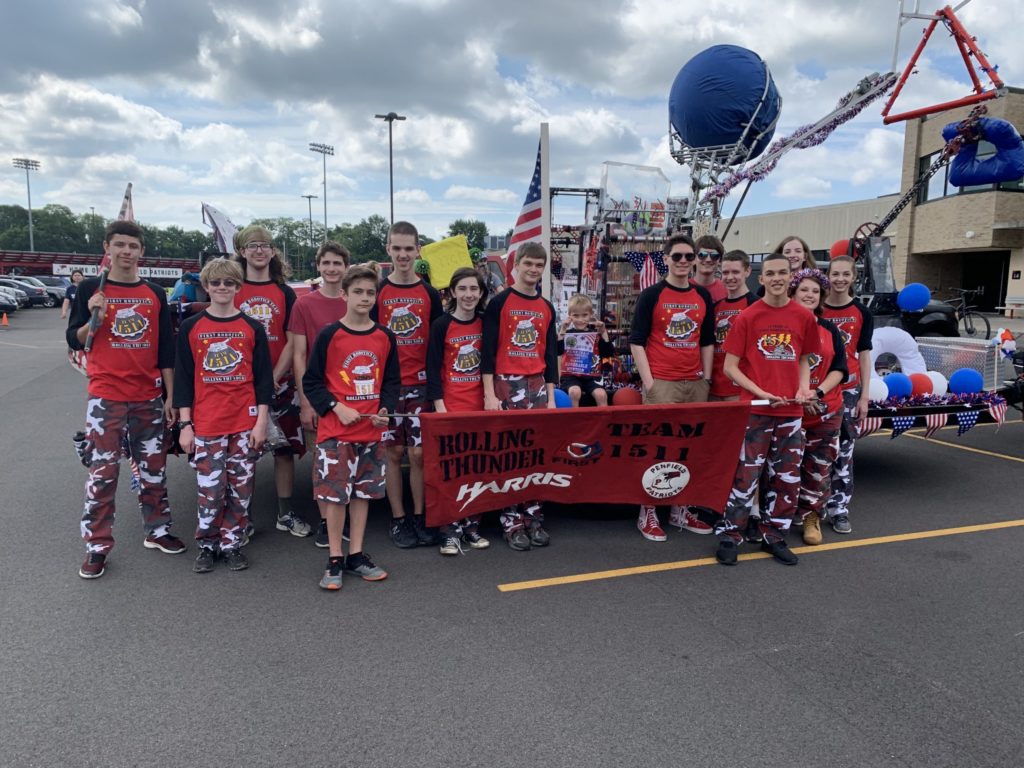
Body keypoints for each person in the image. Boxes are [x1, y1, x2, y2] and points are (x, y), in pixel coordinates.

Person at [66, 221, 185, 579]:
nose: (126, 251)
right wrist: (95, 319)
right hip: (106, 398)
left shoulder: (153, 293)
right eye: (119, 244)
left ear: (141, 252)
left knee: (154, 470)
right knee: (103, 474)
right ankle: (97, 545)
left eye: (133, 246)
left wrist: (170, 396)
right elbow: (75, 339)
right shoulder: (91, 288)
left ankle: (158, 530)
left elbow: (166, 347)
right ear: (108, 248)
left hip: (148, 396)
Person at [713, 252, 820, 566]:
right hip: (756, 410)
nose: (776, 278)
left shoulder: (803, 316)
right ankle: (731, 534)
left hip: (790, 414)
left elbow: (804, 358)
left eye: (782, 273)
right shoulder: (748, 317)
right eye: (770, 273)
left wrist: (803, 387)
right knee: (745, 477)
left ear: (791, 276)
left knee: (785, 478)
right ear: (760, 279)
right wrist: (759, 392)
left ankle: (774, 536)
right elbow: (731, 367)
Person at [173, 259, 273, 573]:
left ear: (237, 287)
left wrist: (261, 423)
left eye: (228, 283)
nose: (221, 288)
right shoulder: (192, 326)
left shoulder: (252, 327)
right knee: (210, 489)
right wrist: (185, 424)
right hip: (206, 423)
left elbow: (263, 380)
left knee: (241, 487)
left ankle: (232, 542)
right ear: (206, 285)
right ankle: (208, 543)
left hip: (244, 422)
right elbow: (184, 378)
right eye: (215, 282)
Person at [303, 265, 399, 590]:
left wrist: (386, 407)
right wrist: (335, 407)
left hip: (371, 434)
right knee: (335, 497)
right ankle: (334, 557)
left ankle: (356, 554)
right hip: (337, 434)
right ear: (344, 294)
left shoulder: (385, 336)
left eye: (370, 293)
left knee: (363, 495)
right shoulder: (331, 335)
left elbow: (391, 381)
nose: (365, 298)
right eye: (358, 291)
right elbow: (312, 382)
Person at [628, 233, 715, 541]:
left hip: (694, 383)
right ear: (665, 258)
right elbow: (636, 341)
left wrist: (704, 377)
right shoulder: (652, 295)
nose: (683, 262)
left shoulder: (702, 296)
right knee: (657, 449)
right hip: (662, 382)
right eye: (676, 256)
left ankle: (680, 508)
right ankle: (648, 511)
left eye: (688, 257)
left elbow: (707, 339)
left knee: (688, 449)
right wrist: (650, 382)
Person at [233, 225, 310, 539]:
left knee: (284, 451)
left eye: (265, 245)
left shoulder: (285, 292)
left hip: (281, 384)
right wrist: (251, 383)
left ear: (273, 251)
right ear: (242, 251)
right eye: (252, 245)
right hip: (241, 386)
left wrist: (274, 378)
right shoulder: (232, 287)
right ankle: (243, 517)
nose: (259, 250)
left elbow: (294, 341)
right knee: (244, 453)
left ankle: (285, 513)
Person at [371, 221, 443, 549]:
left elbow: (438, 342)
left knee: (417, 455)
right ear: (388, 249)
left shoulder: (429, 293)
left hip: (421, 386)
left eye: (408, 248)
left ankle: (420, 515)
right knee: (392, 451)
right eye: (396, 248)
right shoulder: (379, 293)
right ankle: (399, 519)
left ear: (417, 250)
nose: (402, 254)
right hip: (388, 387)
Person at [481, 242, 558, 550]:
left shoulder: (546, 307)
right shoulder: (500, 303)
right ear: (516, 265)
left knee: (536, 452)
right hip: (506, 382)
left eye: (539, 265)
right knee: (509, 452)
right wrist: (489, 393)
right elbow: (487, 350)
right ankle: (510, 519)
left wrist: (551, 396)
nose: (533, 270)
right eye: (528, 263)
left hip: (537, 383)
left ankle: (533, 513)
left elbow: (550, 353)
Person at [426, 267, 492, 555]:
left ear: (481, 293)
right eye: (462, 289)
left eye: (473, 289)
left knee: (477, 469)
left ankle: (471, 526)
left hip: (480, 407)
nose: (468, 295)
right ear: (452, 292)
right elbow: (433, 369)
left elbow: (491, 363)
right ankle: (449, 529)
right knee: (451, 471)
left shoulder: (486, 322)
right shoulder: (441, 325)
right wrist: (440, 407)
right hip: (451, 407)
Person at [288, 241, 349, 548]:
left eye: (337, 263)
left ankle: (344, 517)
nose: (332, 268)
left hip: (352, 396)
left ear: (346, 268)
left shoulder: (355, 300)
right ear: (318, 266)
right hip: (318, 395)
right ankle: (326, 523)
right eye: (326, 263)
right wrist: (305, 401)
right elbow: (299, 355)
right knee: (323, 462)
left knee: (349, 459)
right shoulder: (304, 305)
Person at [788, 269, 848, 546]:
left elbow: (840, 370)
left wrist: (817, 392)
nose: (809, 295)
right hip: (789, 410)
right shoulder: (781, 328)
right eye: (804, 290)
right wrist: (799, 395)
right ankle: (779, 516)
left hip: (825, 409)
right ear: (793, 293)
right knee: (784, 468)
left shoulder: (829, 329)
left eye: (815, 291)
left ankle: (812, 516)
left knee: (818, 467)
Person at [821, 254, 873, 535]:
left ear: (854, 278)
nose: (839, 279)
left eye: (845, 274)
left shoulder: (862, 313)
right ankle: (811, 507)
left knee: (844, 450)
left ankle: (839, 508)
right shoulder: (817, 308)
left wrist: (865, 395)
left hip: (849, 391)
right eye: (835, 274)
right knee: (816, 450)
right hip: (820, 389)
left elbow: (864, 355)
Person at [708, 250, 756, 402]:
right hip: (714, 387)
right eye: (725, 272)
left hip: (741, 388)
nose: (729, 277)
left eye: (735, 272)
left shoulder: (757, 306)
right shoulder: (715, 307)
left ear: (747, 271)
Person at [557, 293, 614, 407]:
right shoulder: (567, 334)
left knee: (601, 394)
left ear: (591, 315)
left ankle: (604, 423)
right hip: (571, 375)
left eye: (584, 315)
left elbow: (608, 353)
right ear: (569, 316)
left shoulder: (595, 334)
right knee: (574, 392)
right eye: (576, 315)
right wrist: (563, 329)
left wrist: (603, 332)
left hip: (592, 376)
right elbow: (558, 351)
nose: (580, 319)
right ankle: (575, 422)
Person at [692, 235, 728, 303]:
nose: (708, 259)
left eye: (714, 255)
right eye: (702, 255)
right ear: (694, 258)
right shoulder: (682, 287)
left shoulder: (727, 290)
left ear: (719, 260)